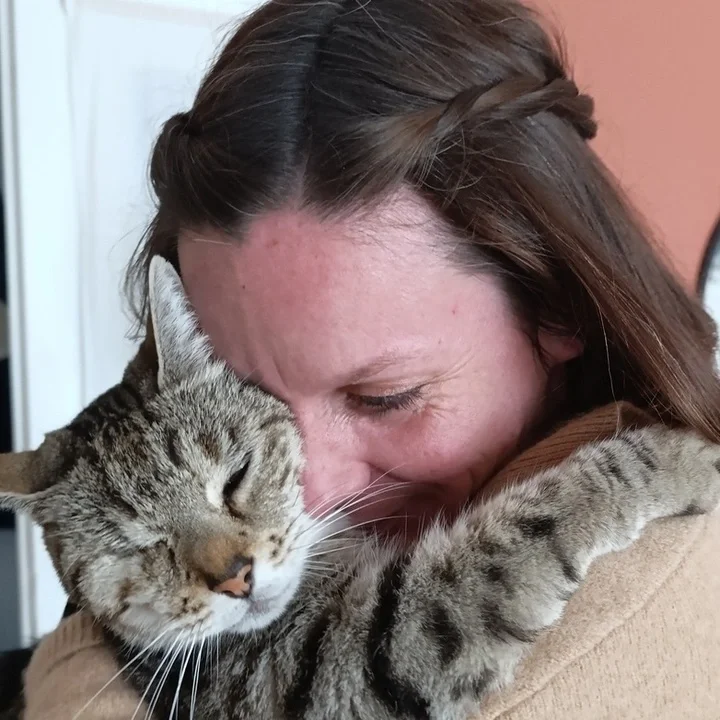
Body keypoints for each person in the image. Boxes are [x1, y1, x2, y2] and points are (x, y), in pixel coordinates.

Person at [20, 0, 720, 717]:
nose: (310, 495)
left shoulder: (612, 639)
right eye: (252, 401)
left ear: (558, 307)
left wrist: (71, 669)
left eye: (384, 397)